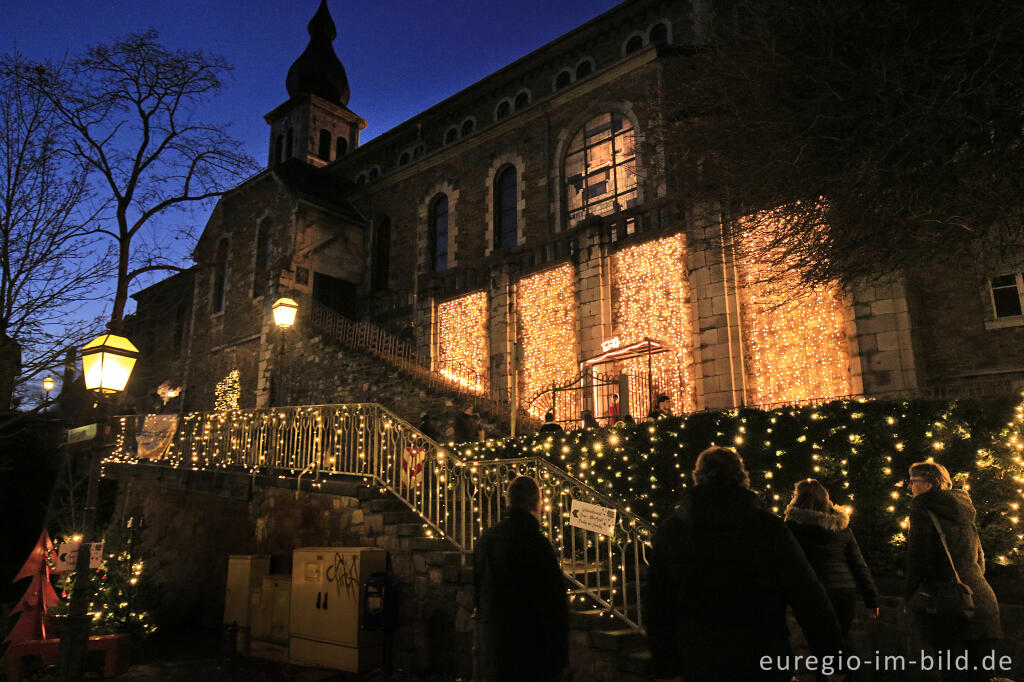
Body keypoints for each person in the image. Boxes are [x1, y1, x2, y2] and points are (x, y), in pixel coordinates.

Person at [646, 447, 844, 682]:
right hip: (762, 657)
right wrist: (831, 658)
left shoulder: (672, 532)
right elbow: (808, 595)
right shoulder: (768, 528)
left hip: (699, 661)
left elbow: (657, 605)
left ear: (697, 478)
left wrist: (666, 667)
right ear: (742, 477)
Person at [905, 461, 1002, 682]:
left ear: (930, 484)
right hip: (983, 601)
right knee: (982, 675)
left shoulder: (922, 509)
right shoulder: (965, 510)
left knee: (952, 672)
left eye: (913, 481)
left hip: (950, 604)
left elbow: (918, 560)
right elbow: (980, 560)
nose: (910, 487)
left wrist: (910, 596)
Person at [474, 476, 568, 682]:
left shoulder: (487, 540)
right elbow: (554, 603)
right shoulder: (537, 543)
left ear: (508, 502)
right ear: (536, 504)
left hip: (497, 647)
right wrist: (559, 659)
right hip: (531, 651)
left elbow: (478, 590)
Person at [784, 479, 879, 640]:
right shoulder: (842, 528)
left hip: (812, 591)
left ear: (799, 498)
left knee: (815, 642)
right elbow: (858, 564)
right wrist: (871, 599)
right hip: (844, 591)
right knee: (839, 642)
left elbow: (786, 563)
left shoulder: (793, 527)